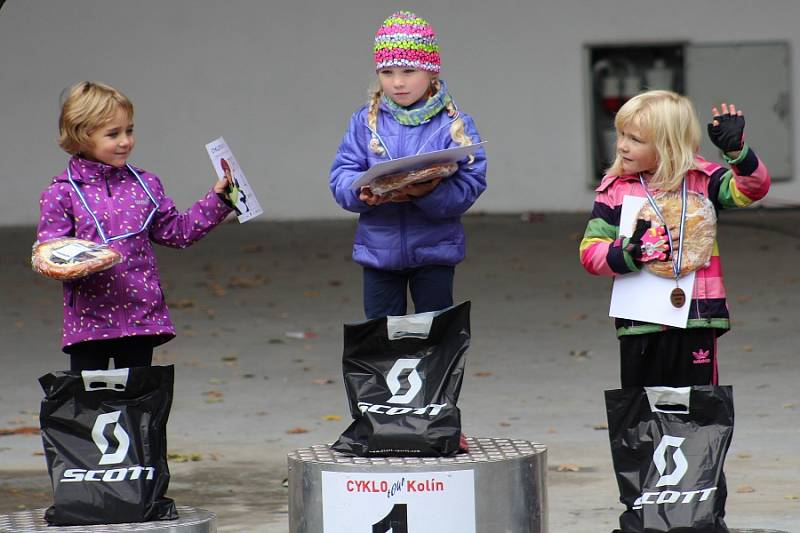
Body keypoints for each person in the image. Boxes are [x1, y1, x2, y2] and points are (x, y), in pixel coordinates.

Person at [37, 81, 235, 371]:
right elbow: (50, 254)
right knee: (90, 408)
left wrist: (220, 199)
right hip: (90, 324)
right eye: (113, 134)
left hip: (142, 318)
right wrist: (84, 261)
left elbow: (177, 232)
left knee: (137, 408)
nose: (125, 141)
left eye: (129, 130)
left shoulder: (145, 184)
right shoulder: (62, 193)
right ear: (82, 136)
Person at [579, 90, 770, 387]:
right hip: (639, 322)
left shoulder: (704, 181)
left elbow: (751, 190)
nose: (622, 146)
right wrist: (628, 251)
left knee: (697, 413)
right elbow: (591, 253)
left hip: (697, 316)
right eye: (621, 135)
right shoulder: (614, 190)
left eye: (635, 140)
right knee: (641, 414)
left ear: (668, 146)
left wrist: (738, 154)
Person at [330, 10, 487, 319]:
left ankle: (432, 370)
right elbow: (341, 174)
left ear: (432, 72)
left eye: (409, 71)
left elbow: (471, 182)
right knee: (381, 342)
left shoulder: (454, 124)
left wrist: (427, 193)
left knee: (436, 342)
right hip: (378, 254)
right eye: (387, 73)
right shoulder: (364, 122)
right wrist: (359, 192)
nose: (398, 82)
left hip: (435, 252)